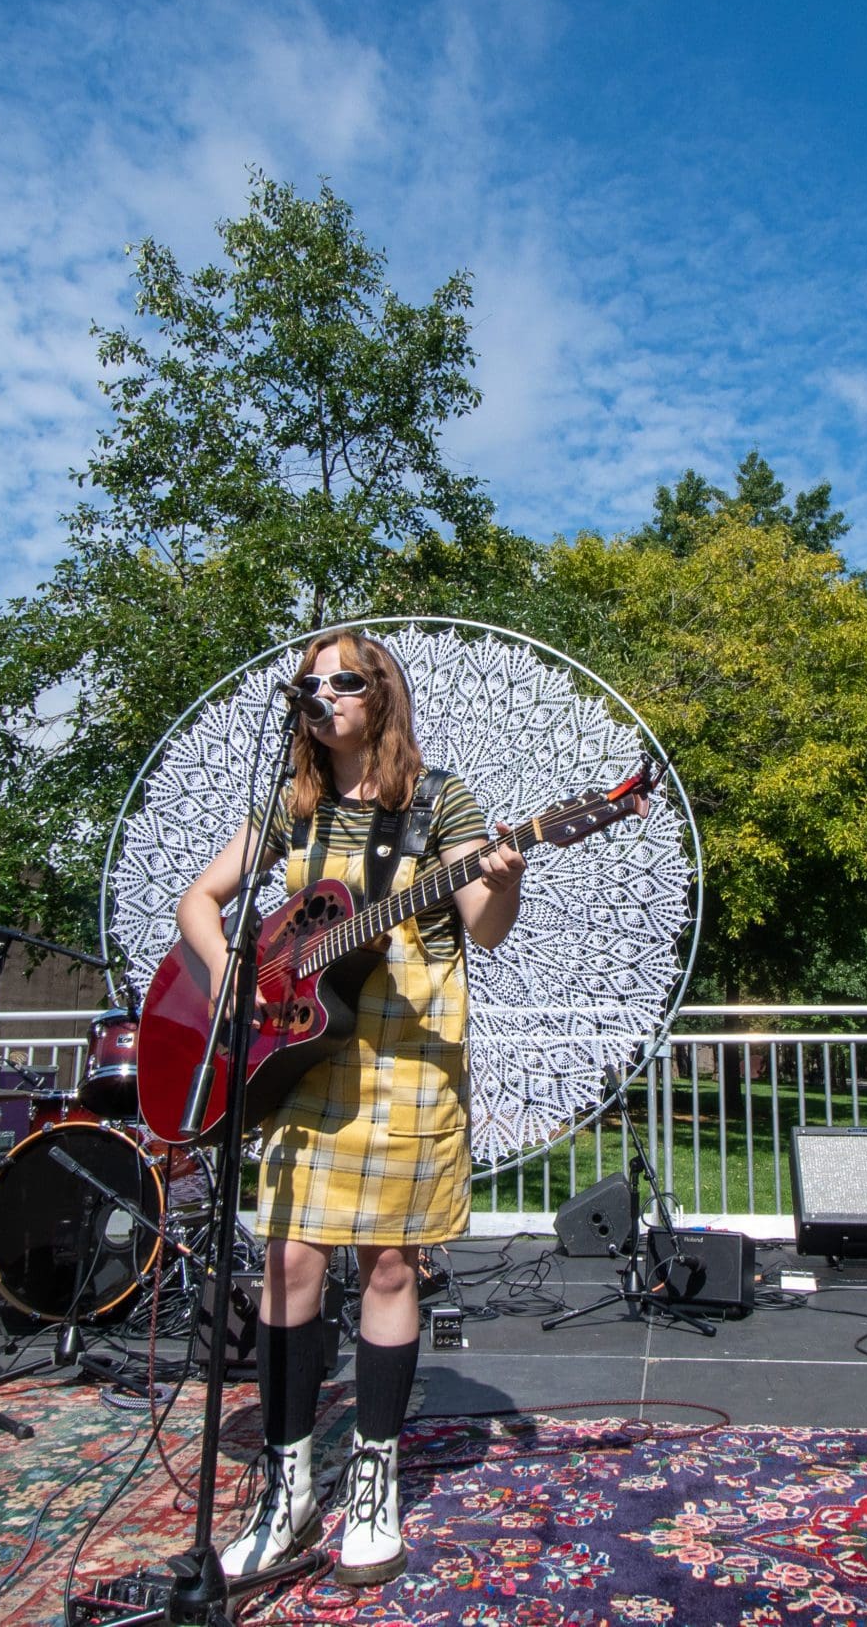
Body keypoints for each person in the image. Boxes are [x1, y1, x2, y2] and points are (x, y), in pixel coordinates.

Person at [176, 631, 525, 1587]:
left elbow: (488, 929)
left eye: (343, 680)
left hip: (406, 1059)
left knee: (389, 1265)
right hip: (302, 1058)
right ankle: (286, 1486)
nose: (322, 692)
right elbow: (202, 900)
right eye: (311, 682)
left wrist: (505, 878)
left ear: (381, 697)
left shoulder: (440, 801)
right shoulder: (290, 807)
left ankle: (374, 1481)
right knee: (288, 1259)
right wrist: (231, 969)